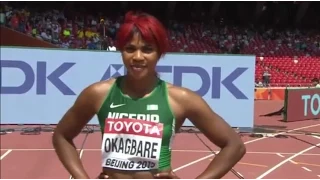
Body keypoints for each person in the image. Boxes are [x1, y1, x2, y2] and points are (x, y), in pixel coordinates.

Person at [52, 11, 246, 179]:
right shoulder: (98, 94)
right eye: (130, 49)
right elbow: (61, 136)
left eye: (147, 49)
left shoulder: (180, 99)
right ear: (121, 51)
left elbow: (234, 146)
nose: (137, 57)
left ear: (159, 53)